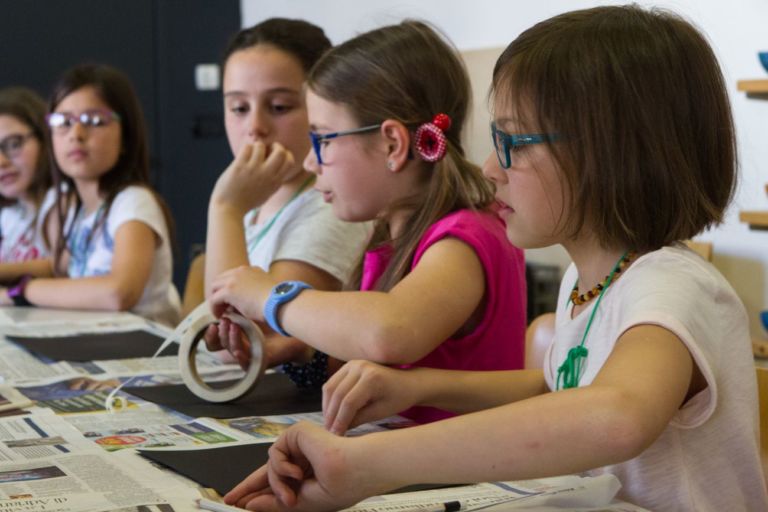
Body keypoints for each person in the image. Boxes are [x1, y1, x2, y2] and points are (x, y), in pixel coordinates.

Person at [221, 6, 768, 512]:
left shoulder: (674, 286)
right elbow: (563, 388)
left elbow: (615, 414)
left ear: (610, 154)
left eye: (513, 143)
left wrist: (365, 463)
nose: (489, 167)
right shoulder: (592, 279)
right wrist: (423, 386)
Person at [208, 20, 527, 423]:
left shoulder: (463, 239)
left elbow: (391, 332)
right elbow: (379, 361)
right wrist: (301, 349)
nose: (310, 161)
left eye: (322, 140)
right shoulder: (392, 237)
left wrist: (272, 299)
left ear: (392, 144)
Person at [201, 18, 370, 371]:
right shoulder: (258, 201)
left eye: (278, 107)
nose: (255, 127)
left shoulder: (333, 208)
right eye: (238, 108)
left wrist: (225, 208)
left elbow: (243, 341)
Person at [0, 64, 180, 326]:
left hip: (143, 353)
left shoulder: (133, 201)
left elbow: (118, 292)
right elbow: (60, 269)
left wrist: (19, 292)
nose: (76, 134)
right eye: (63, 122)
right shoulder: (78, 210)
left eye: (94, 121)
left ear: (126, 138)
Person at [0, 87, 56, 280]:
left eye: (14, 144)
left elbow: (62, 267)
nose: (2, 162)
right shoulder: (10, 216)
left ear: (45, 139)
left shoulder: (62, 202)